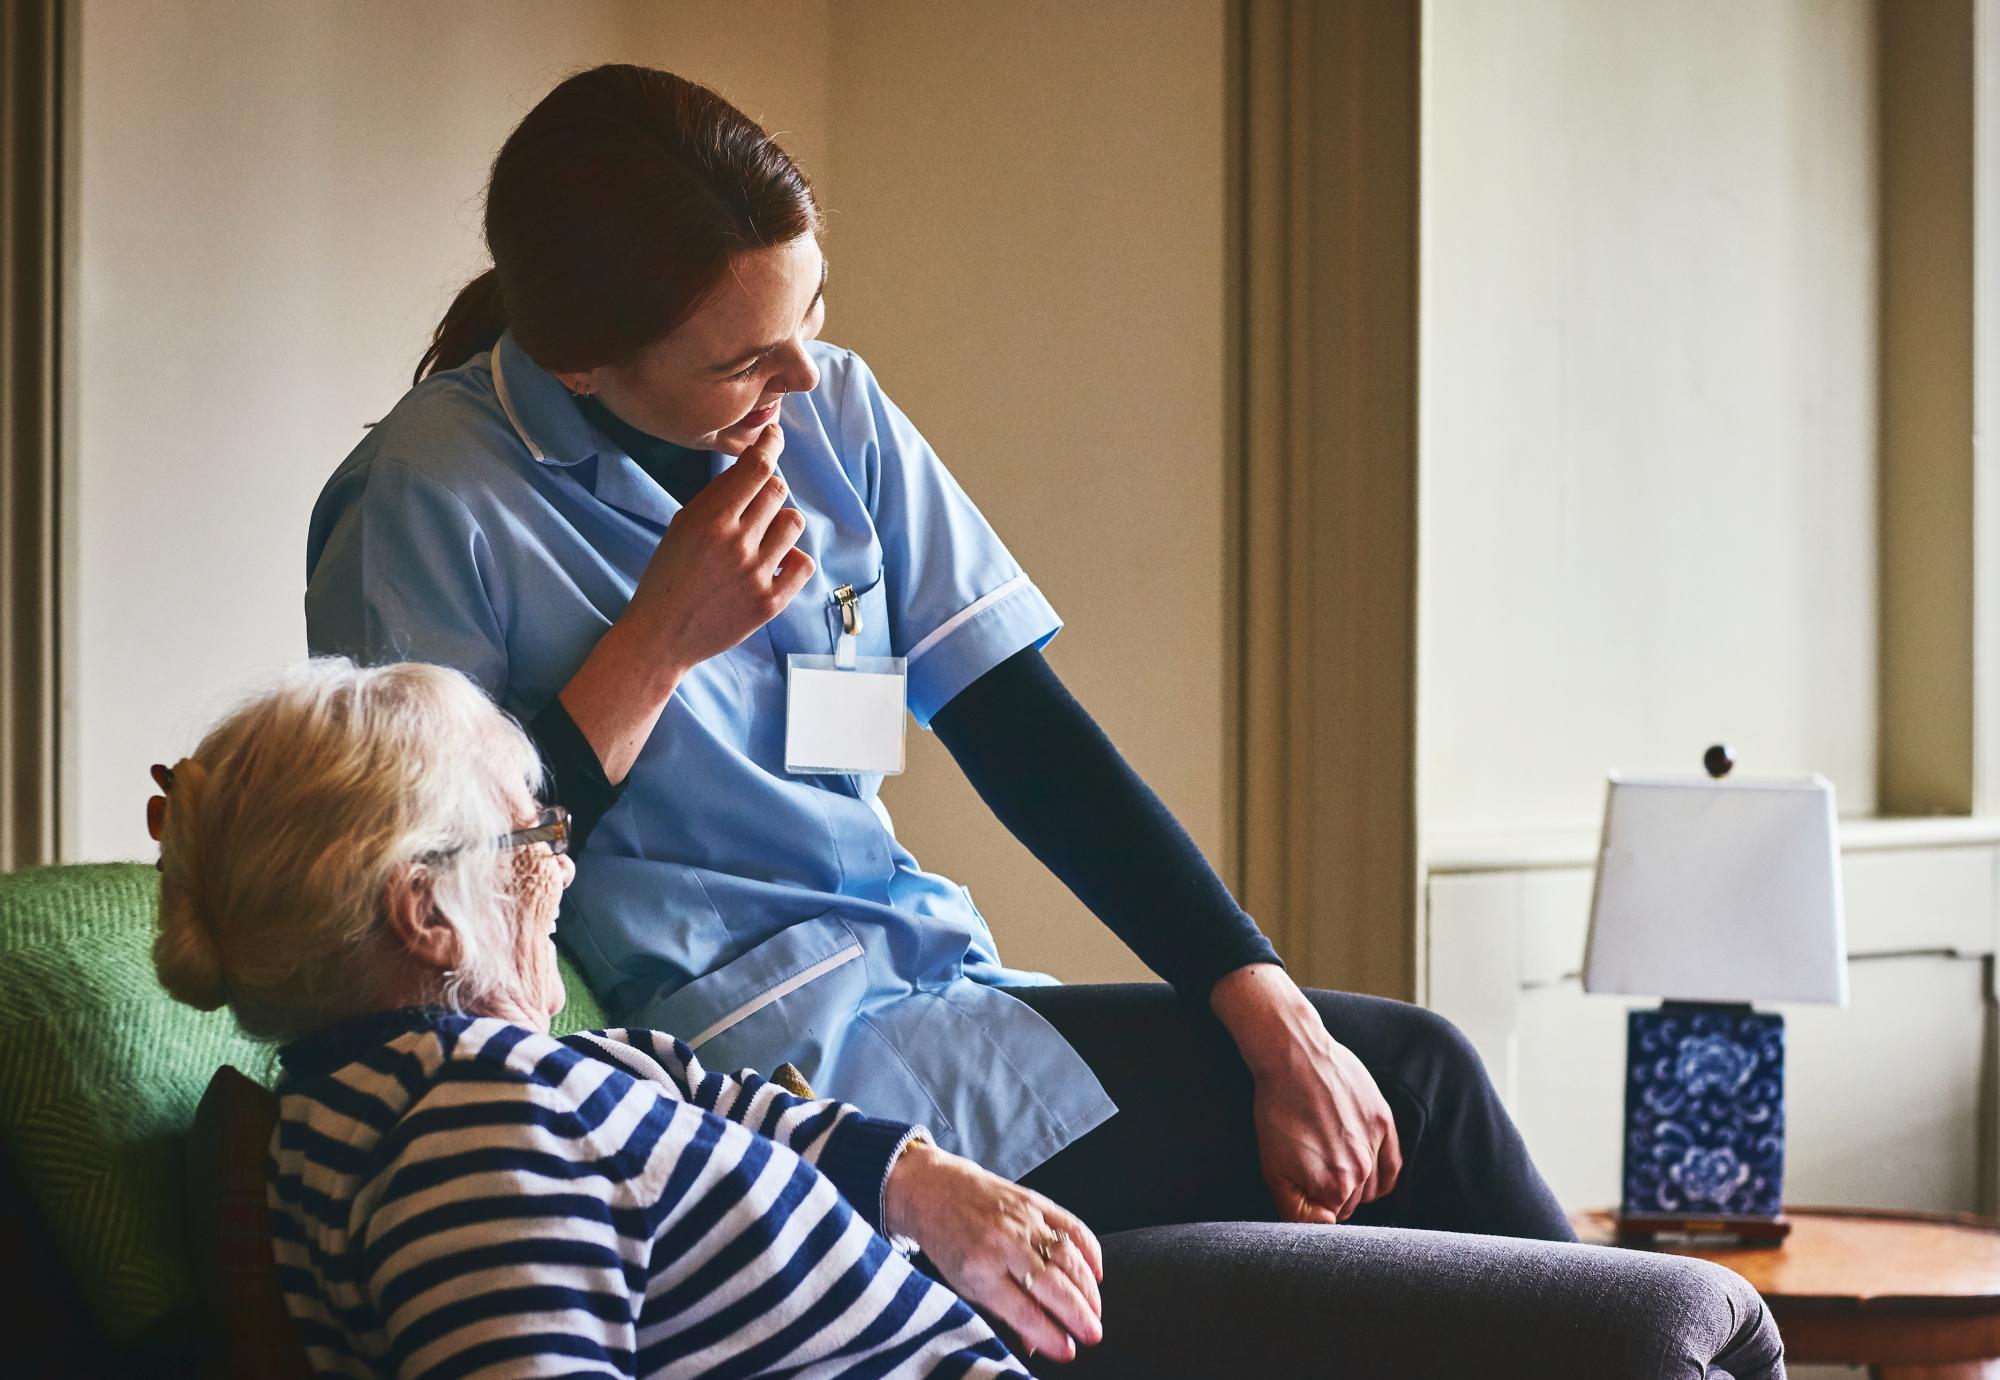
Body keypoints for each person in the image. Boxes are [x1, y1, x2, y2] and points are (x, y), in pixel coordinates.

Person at [303, 63, 1575, 1306]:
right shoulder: (421, 500)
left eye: (808, 319)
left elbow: (1024, 734)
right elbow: (434, 894)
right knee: (1417, 1083)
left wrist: (1270, 1010)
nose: (802, 380)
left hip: (935, 984)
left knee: (1360, 1086)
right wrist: (653, 647)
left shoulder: (830, 408)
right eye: (747, 362)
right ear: (582, 362)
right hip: (748, 1066)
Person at [150, 656, 1104, 1376]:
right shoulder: (475, 1140)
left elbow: (717, 1102)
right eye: (530, 833)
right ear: (429, 915)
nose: (561, 868)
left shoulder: (515, 1084)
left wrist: (915, 1182)